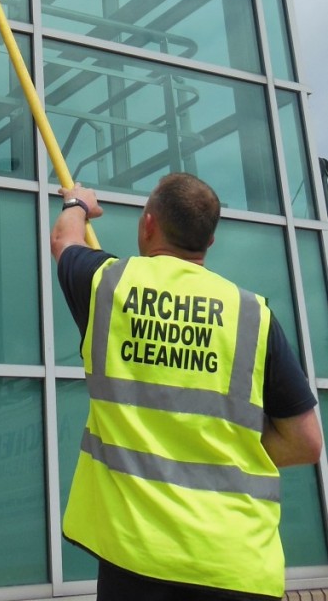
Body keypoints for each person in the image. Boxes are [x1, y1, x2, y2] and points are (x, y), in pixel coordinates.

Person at [51, 173, 323, 601]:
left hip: (138, 561)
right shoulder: (252, 315)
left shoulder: (108, 286)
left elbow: (65, 242)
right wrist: (222, 448)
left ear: (148, 224)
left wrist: (77, 203)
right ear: (208, 243)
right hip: (238, 567)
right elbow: (306, 443)